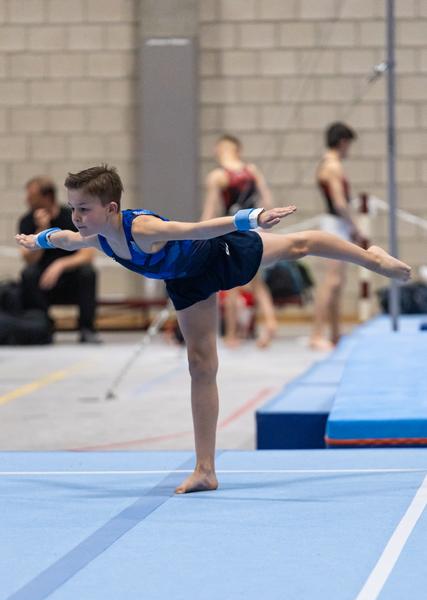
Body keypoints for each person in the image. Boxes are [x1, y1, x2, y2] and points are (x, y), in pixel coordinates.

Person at [15, 165, 411, 494]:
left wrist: (250, 219)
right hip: (188, 283)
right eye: (73, 209)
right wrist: (38, 240)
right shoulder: (98, 236)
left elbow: (197, 229)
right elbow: (64, 239)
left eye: (83, 209)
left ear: (111, 207)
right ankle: (206, 468)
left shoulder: (144, 230)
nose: (76, 218)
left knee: (298, 245)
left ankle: (372, 260)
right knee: (201, 365)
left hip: (218, 254)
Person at [201, 134, 277, 348]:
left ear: (218, 151)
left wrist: (198, 235)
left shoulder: (217, 176)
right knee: (257, 281)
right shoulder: (251, 170)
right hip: (255, 226)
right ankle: (270, 322)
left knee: (232, 283)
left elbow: (209, 211)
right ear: (238, 151)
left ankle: (232, 334)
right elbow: (268, 201)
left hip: (233, 228)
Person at [18, 176, 101, 343]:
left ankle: (86, 329)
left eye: (31, 196)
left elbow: (88, 254)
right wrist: (42, 229)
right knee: (28, 274)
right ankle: (42, 327)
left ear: (46, 197)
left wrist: (60, 264)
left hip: (70, 277)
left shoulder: (71, 217)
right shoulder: (27, 221)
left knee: (88, 272)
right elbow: (28, 258)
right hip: (43, 280)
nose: (27, 199)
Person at [310, 122, 364, 350]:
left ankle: (335, 333)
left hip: (336, 224)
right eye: (349, 144)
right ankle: (316, 334)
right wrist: (355, 227)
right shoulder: (333, 166)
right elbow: (340, 203)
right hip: (335, 224)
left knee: (338, 282)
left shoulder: (328, 163)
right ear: (343, 142)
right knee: (332, 281)